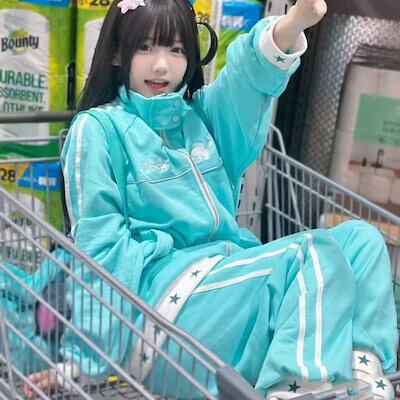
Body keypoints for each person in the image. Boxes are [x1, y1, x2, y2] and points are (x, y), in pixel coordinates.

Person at [23, 0, 398, 398]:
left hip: (224, 284)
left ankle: (364, 379)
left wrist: (292, 25)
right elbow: (99, 250)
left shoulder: (201, 118)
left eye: (176, 49)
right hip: (159, 318)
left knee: (362, 240)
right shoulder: (99, 129)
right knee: (312, 254)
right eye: (145, 47)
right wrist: (85, 361)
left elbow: (246, 81)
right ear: (117, 52)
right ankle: (304, 389)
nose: (161, 66)